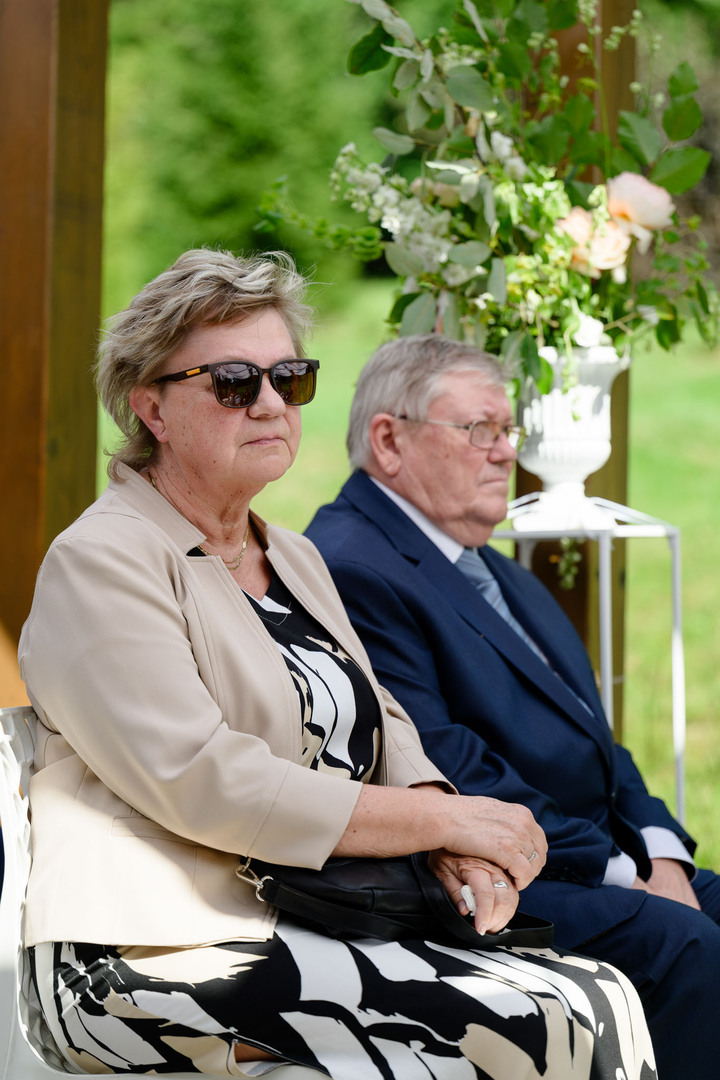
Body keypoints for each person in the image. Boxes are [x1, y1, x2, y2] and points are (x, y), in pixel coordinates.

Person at [17, 252, 656, 1080]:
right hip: (148, 948)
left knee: (602, 992)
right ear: (153, 408)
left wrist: (452, 843)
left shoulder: (290, 555)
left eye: (291, 378)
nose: (274, 404)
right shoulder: (102, 560)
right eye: (236, 382)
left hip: (313, 914)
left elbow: (384, 721)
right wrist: (448, 824)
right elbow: (206, 777)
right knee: (552, 1022)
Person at [305, 332, 720, 1079]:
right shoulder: (352, 565)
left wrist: (658, 848)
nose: (504, 453)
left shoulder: (488, 564)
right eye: (478, 431)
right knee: (687, 945)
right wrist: (626, 872)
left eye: (508, 431)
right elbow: (445, 763)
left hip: (590, 856)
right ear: (389, 441)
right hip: (484, 878)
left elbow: (600, 741)